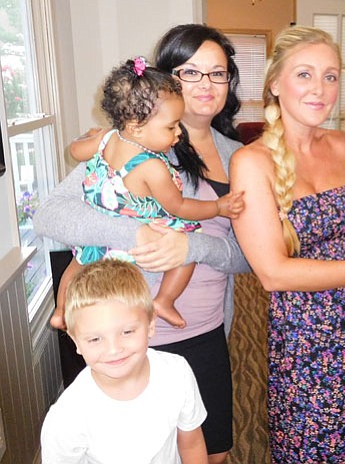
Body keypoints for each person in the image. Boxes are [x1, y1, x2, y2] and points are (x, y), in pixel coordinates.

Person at [34, 24, 248, 464]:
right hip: (129, 336)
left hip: (205, 330)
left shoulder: (237, 154)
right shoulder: (137, 143)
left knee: (212, 451)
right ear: (166, 80)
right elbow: (50, 215)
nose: (206, 85)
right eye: (191, 73)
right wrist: (137, 234)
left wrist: (192, 249)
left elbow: (246, 258)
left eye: (218, 73)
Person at [229, 25, 345, 463]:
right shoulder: (252, 162)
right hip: (308, 338)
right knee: (315, 448)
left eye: (330, 77)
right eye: (304, 74)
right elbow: (273, 274)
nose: (320, 89)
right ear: (275, 83)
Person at [51, 57, 244, 331]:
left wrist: (86, 138)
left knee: (78, 264)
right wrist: (218, 208)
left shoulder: (107, 139)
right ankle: (165, 300)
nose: (178, 132)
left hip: (102, 215)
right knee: (188, 244)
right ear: (137, 127)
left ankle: (60, 311)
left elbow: (75, 150)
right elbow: (179, 206)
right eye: (171, 127)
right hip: (139, 228)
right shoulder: (152, 166)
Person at [41, 259, 208, 464]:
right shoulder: (67, 417)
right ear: (76, 342)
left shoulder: (177, 372)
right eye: (95, 339)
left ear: (151, 325)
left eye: (127, 332)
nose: (114, 349)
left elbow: (191, 443)